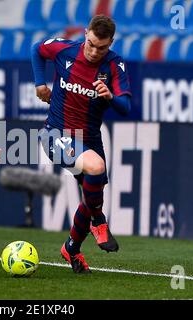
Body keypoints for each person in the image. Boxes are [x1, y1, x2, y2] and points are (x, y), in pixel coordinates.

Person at [31, 15, 131, 273]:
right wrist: (40, 83)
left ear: (111, 43)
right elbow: (37, 49)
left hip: (89, 139)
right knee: (95, 170)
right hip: (55, 134)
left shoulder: (114, 65)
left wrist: (109, 97)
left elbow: (126, 106)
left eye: (102, 47)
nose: (95, 51)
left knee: (90, 197)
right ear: (85, 34)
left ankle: (71, 249)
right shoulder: (65, 50)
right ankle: (99, 221)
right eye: (91, 44)